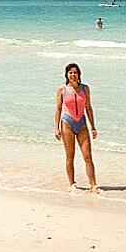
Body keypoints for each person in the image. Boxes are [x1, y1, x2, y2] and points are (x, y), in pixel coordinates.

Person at [54, 63, 98, 193]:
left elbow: (88, 107)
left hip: (82, 124)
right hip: (67, 123)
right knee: (70, 156)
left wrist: (93, 127)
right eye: (70, 73)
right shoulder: (62, 90)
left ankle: (93, 184)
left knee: (87, 156)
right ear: (67, 75)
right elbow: (58, 109)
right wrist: (56, 128)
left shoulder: (85, 89)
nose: (73, 75)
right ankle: (72, 184)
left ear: (79, 74)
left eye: (75, 72)